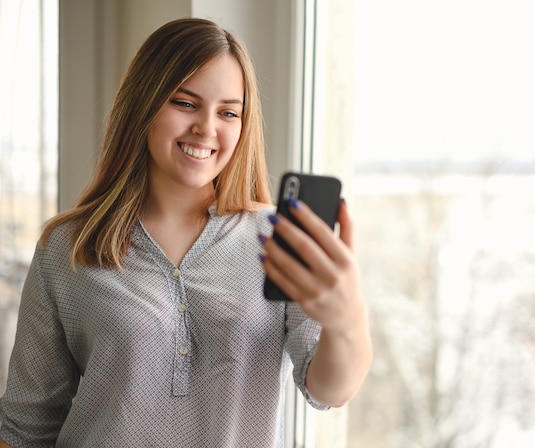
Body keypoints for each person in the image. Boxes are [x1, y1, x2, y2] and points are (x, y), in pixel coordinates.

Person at [0, 18, 372, 447]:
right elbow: (25, 429)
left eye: (228, 112)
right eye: (185, 103)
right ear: (144, 104)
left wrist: (348, 319)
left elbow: (327, 390)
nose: (207, 128)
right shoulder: (67, 247)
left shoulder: (276, 237)